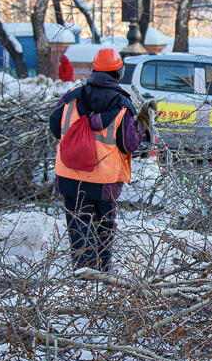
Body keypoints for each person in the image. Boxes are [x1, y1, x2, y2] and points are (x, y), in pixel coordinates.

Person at [49, 48, 151, 273]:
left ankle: (82, 272)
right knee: (104, 226)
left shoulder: (71, 97)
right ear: (119, 73)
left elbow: (55, 128)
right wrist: (142, 123)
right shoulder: (122, 106)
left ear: (94, 70)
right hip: (104, 181)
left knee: (78, 225)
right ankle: (101, 273)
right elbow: (129, 144)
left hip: (69, 176)